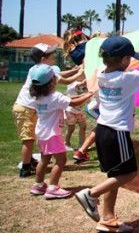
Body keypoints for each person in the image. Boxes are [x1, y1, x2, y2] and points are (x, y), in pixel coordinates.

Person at [75, 36, 139, 233]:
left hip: (103, 130)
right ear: (123, 60)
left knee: (114, 174)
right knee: (129, 172)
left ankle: (107, 218)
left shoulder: (103, 74)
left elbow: (117, 60)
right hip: (117, 132)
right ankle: (91, 194)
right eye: (129, 59)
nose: (131, 61)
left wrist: (137, 51)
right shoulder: (126, 79)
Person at [12, 43, 84, 177]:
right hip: (25, 108)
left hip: (30, 108)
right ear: (43, 59)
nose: (54, 57)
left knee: (32, 136)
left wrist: (75, 69)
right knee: (28, 139)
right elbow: (65, 80)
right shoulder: (42, 72)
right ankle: (26, 168)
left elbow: (60, 74)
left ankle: (30, 160)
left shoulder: (40, 70)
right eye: (51, 55)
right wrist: (80, 72)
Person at [28, 65, 93, 198]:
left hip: (41, 133)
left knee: (44, 159)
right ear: (52, 82)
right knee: (61, 160)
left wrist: (82, 95)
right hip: (52, 135)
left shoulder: (39, 97)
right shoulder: (55, 97)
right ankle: (53, 188)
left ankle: (38, 185)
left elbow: (71, 100)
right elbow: (74, 103)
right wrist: (89, 93)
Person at [72, 97, 99, 163]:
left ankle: (81, 152)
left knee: (103, 127)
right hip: (94, 108)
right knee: (103, 127)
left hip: (94, 107)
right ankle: (81, 151)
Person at [64, 79, 88, 150]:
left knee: (83, 127)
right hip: (70, 110)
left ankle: (81, 145)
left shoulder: (86, 84)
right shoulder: (71, 83)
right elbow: (69, 97)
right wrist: (82, 95)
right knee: (71, 128)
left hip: (80, 110)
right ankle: (67, 144)